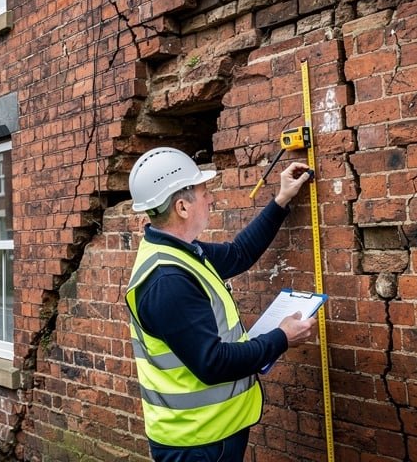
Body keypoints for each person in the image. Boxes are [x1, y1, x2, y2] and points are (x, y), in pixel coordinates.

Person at [124, 147, 317, 461]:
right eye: (204, 193)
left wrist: (281, 200)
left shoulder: (182, 252)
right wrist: (282, 338)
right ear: (182, 207)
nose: (210, 199)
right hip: (196, 445)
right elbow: (212, 363)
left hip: (211, 435)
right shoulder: (168, 280)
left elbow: (238, 253)